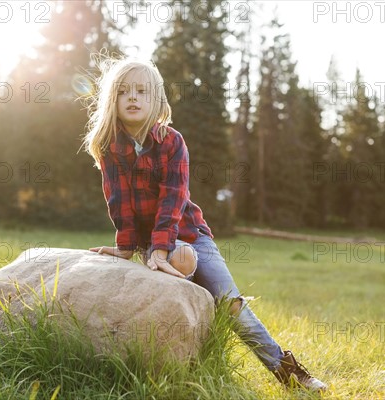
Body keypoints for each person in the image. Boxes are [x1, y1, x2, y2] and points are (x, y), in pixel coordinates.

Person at [82, 56, 327, 393]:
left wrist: (163, 250)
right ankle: (178, 370)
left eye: (142, 91)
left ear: (157, 100)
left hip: (190, 236)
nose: (133, 98)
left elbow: (173, 198)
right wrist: (126, 247)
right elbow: (119, 202)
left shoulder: (172, 142)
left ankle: (290, 373)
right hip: (152, 245)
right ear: (113, 99)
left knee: (229, 304)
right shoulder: (110, 148)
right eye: (124, 92)